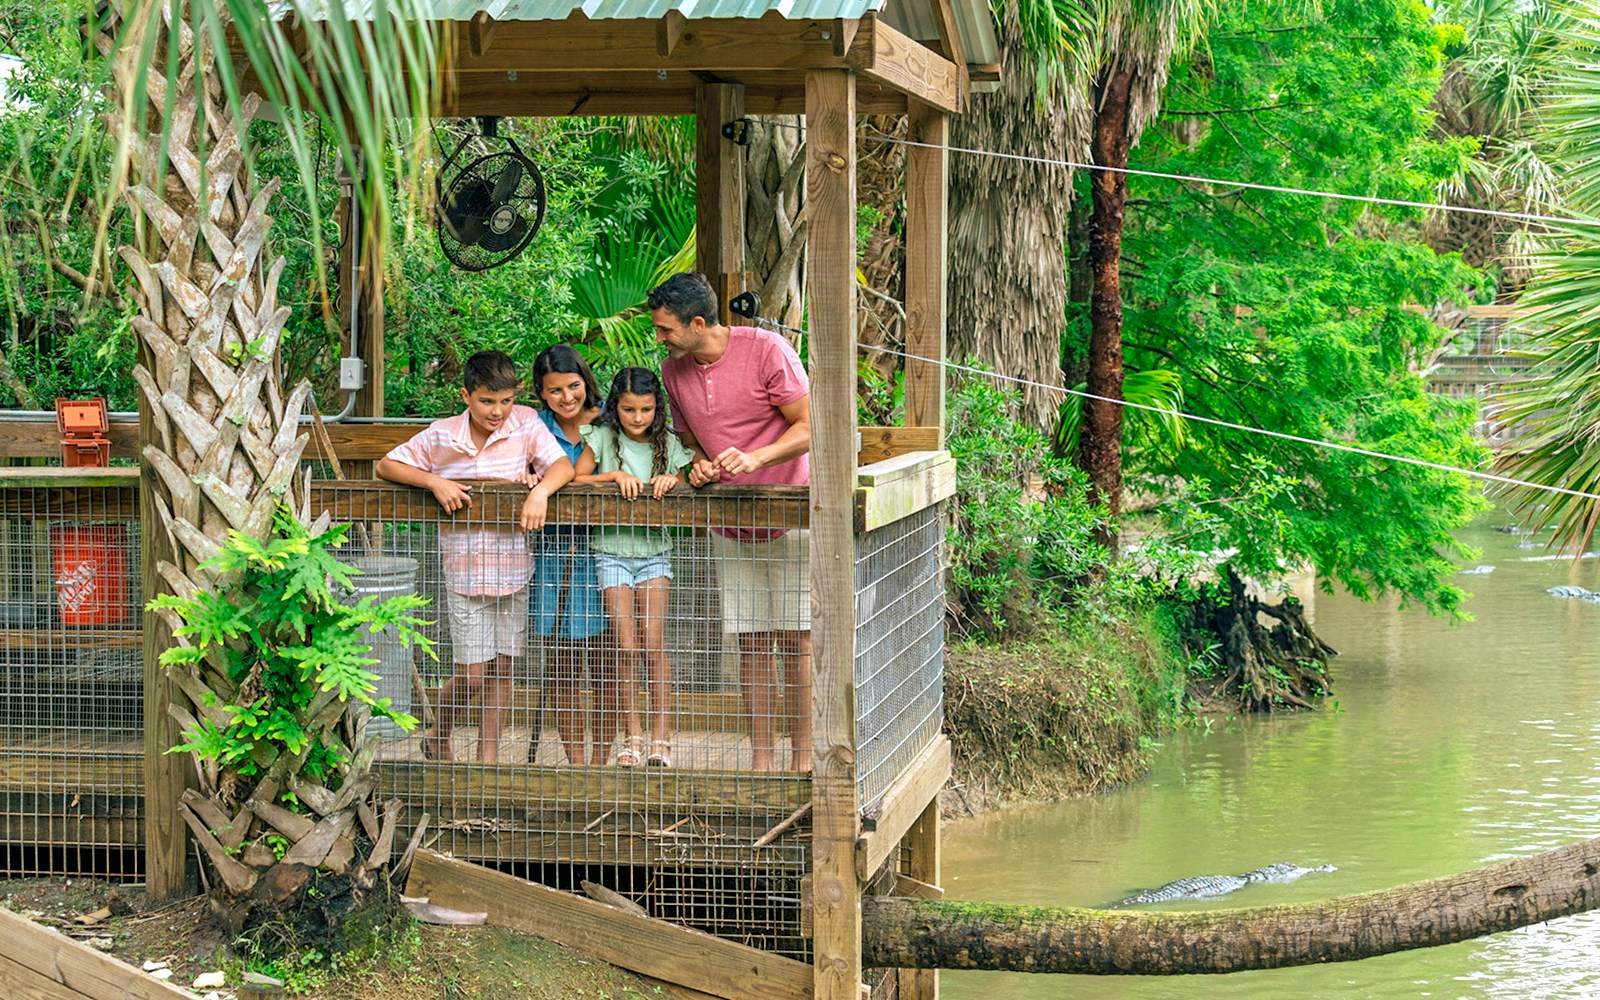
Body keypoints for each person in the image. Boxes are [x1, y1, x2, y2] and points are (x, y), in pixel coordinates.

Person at [648, 272, 812, 772]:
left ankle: (802, 760)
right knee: (752, 641)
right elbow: (691, 439)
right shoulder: (673, 371)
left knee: (797, 639)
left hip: (792, 513)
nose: (660, 339)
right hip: (730, 522)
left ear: (698, 323)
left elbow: (810, 423)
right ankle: (762, 762)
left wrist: (759, 458)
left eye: (666, 329)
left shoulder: (768, 349)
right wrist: (696, 462)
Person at [375, 350, 574, 763]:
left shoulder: (525, 424)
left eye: (505, 401)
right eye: (487, 401)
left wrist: (538, 491)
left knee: (504, 667)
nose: (497, 411)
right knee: (472, 673)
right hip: (464, 572)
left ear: (515, 395)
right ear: (467, 395)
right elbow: (386, 465)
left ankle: (488, 759)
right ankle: (438, 732)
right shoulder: (441, 435)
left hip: (513, 569)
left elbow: (561, 466)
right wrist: (433, 481)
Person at [574, 368, 696, 768]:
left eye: (645, 409)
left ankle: (662, 737)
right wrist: (613, 476)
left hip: (654, 553)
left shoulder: (668, 443)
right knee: (626, 646)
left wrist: (669, 481)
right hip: (610, 552)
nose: (637, 418)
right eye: (628, 409)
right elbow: (578, 479)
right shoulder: (603, 438)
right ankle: (634, 736)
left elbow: (683, 477)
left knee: (653, 642)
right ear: (616, 407)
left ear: (656, 408)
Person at [530, 345, 616, 766]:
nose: (567, 398)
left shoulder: (610, 418)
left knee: (605, 665)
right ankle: (576, 765)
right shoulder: (532, 426)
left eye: (573, 386)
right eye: (555, 390)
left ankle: (601, 762)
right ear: (542, 394)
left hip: (604, 551)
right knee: (562, 666)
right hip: (552, 553)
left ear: (585, 381)